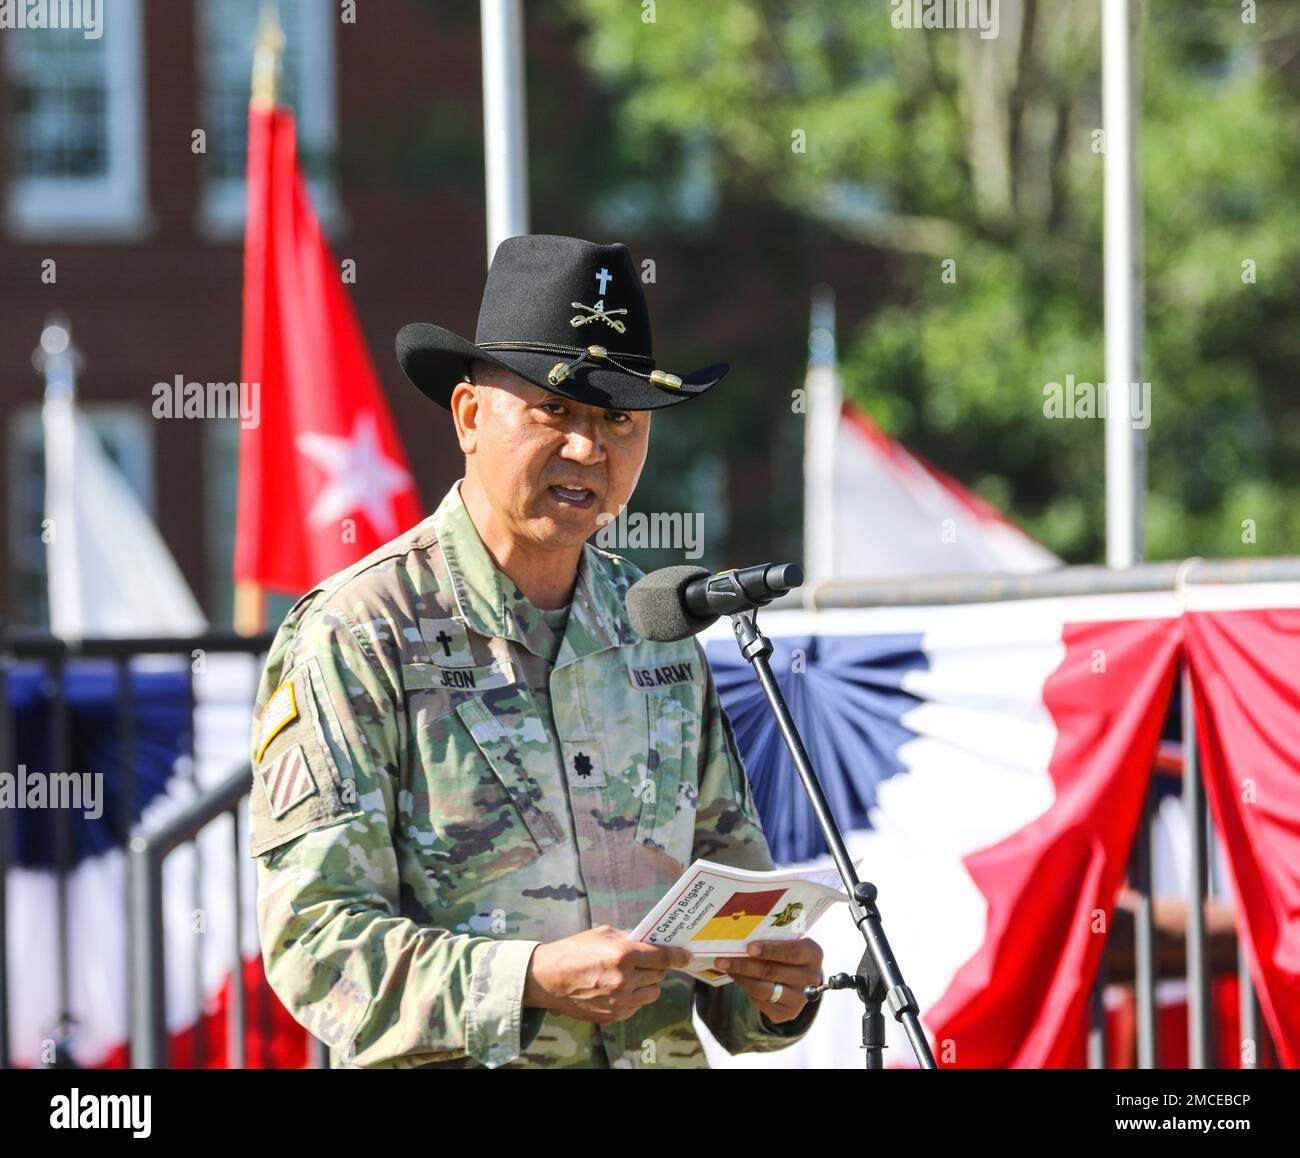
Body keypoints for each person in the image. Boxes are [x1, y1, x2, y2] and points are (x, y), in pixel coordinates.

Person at [248, 234, 823, 1068]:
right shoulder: (359, 633)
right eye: (555, 410)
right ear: (472, 417)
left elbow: (725, 901)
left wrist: (773, 987)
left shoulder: (653, 626)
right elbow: (316, 944)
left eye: (619, 419)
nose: (590, 448)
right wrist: (528, 980)